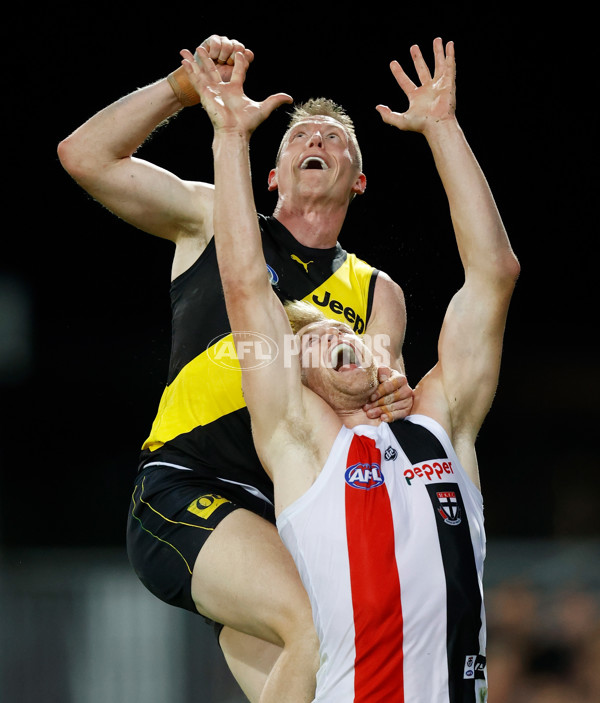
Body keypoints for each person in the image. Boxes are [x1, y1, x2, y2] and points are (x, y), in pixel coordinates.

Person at [57, 34, 413, 703]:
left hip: (285, 526)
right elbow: (84, 156)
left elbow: (373, 394)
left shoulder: (376, 291)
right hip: (184, 486)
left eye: (335, 137)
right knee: (316, 627)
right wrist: (179, 89)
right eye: (300, 132)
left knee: (331, 674)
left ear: (358, 179)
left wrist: (385, 388)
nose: (316, 137)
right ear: (272, 172)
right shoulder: (215, 220)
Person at [188, 36, 520, 701]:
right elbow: (244, 283)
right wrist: (229, 137)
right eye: (310, 339)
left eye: (346, 329)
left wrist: (443, 128)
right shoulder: (303, 441)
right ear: (296, 375)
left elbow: (494, 274)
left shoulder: (441, 420)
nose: (331, 335)